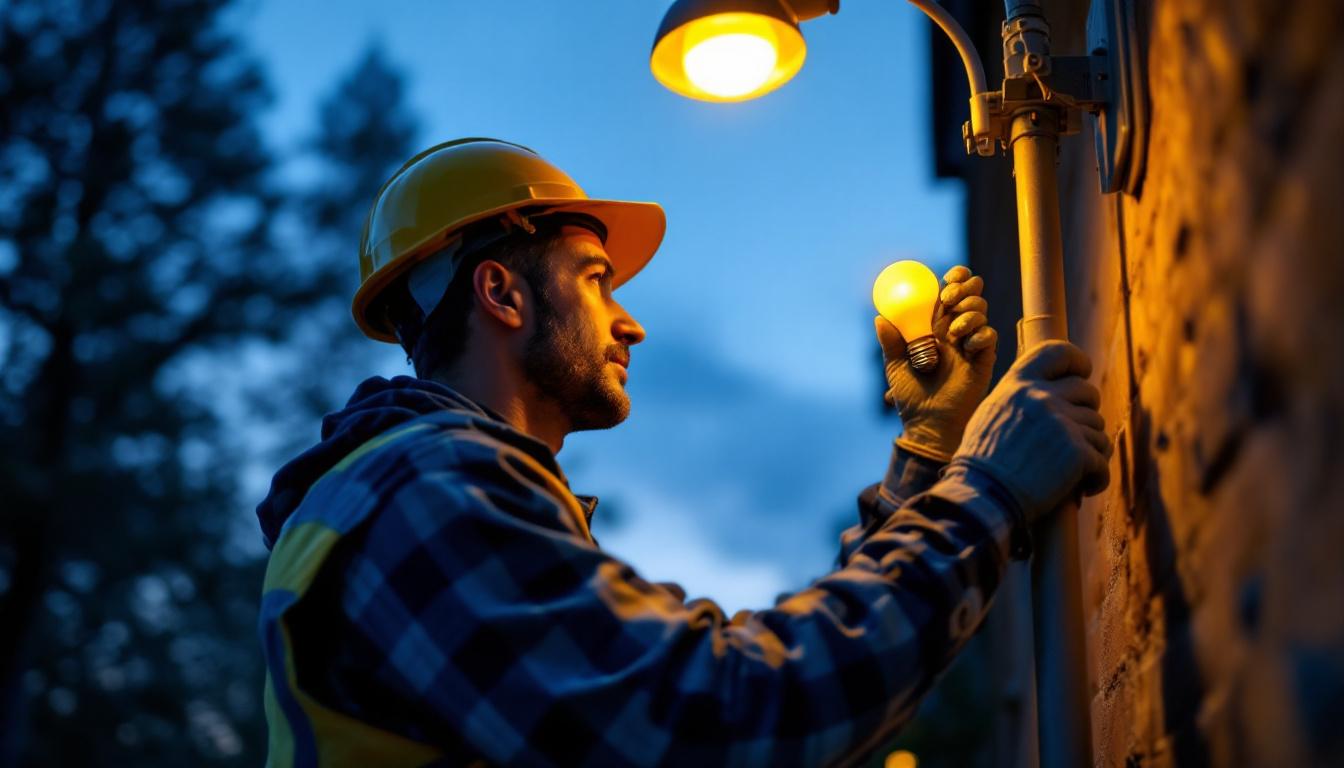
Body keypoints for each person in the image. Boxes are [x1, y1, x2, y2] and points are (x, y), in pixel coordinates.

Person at [255, 138, 1110, 767]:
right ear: (500, 291)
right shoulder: (424, 492)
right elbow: (725, 721)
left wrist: (928, 449)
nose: (631, 322)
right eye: (595, 278)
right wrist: (986, 495)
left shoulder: (412, 496)